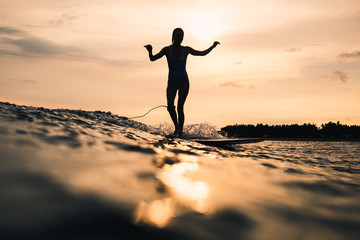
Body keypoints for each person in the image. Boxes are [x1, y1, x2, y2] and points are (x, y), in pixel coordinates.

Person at [144, 28, 220, 138]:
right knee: (170, 107)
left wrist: (212, 46)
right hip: (172, 82)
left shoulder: (186, 50)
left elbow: (202, 53)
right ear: (173, 37)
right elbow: (152, 58)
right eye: (177, 36)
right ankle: (177, 127)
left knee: (180, 107)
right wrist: (150, 50)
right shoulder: (166, 50)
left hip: (184, 81)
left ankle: (180, 132)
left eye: (181, 36)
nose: (179, 38)